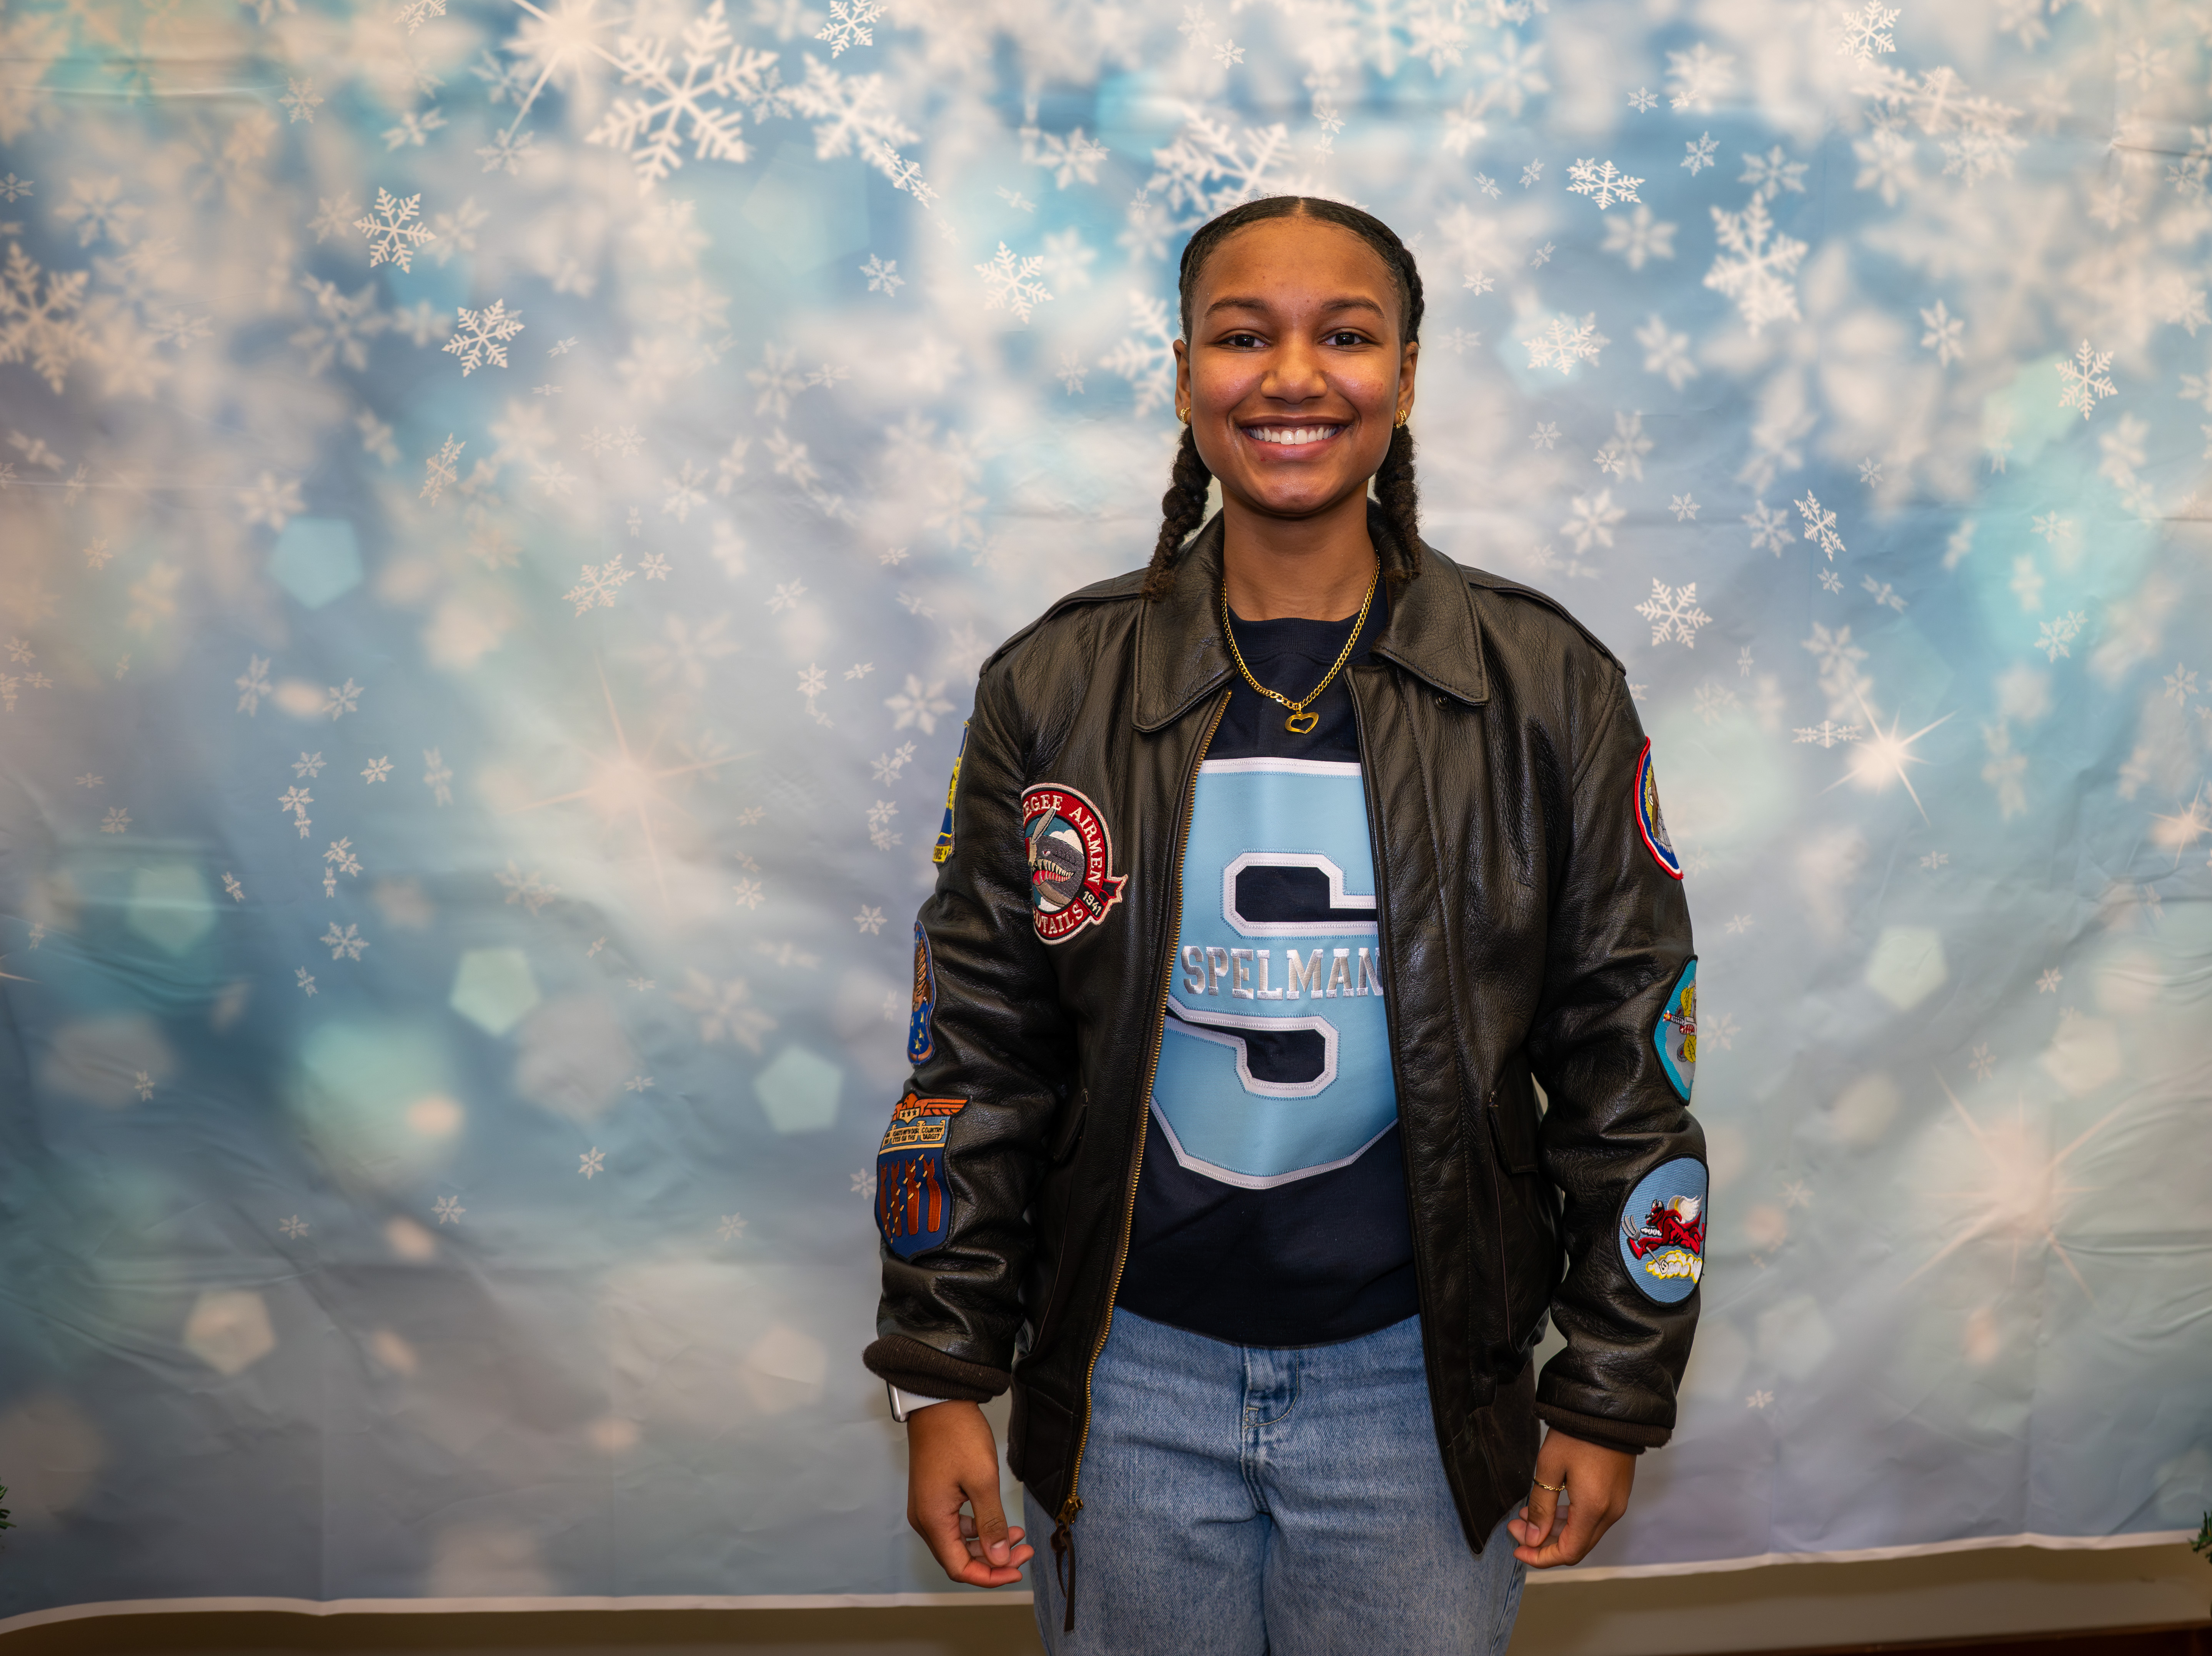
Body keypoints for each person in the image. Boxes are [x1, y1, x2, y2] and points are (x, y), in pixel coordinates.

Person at [864, 195, 1704, 1655]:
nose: (1295, 376)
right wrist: (943, 1374)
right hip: (1126, 1386)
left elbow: (1629, 1060)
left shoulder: (1547, 686)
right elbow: (974, 1057)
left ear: (1411, 373)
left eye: (1349, 335)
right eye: (1244, 335)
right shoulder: (1052, 687)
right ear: (1185, 372)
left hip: (1424, 1388)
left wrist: (1611, 1385)